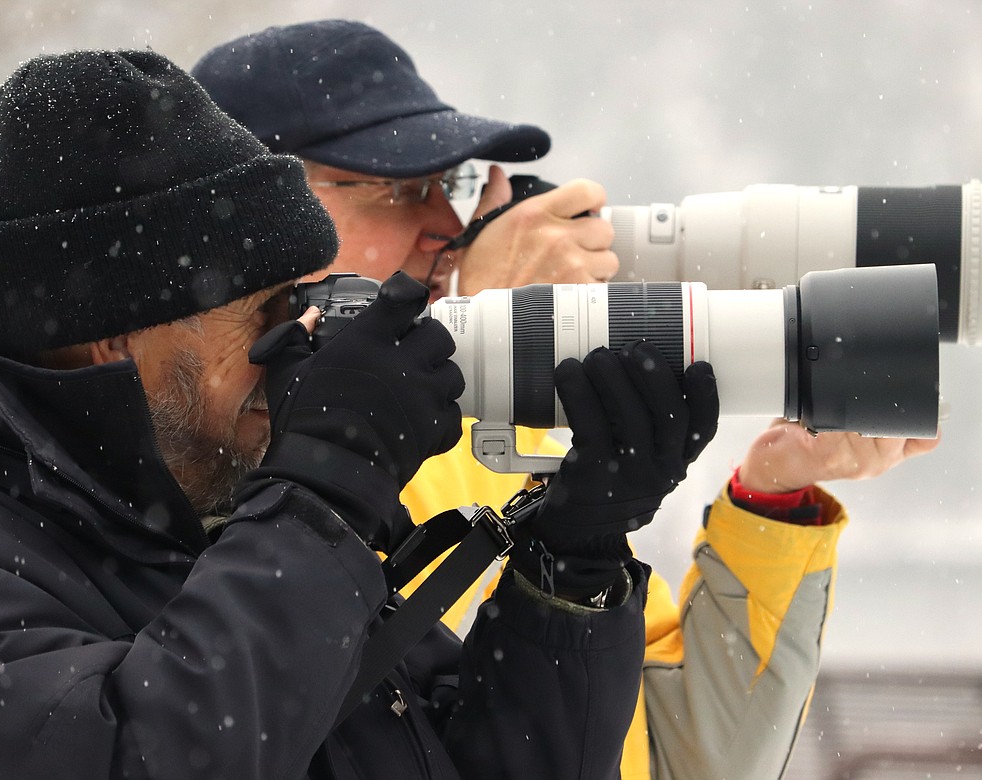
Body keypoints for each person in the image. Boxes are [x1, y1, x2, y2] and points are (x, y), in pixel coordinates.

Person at [0, 49, 723, 779]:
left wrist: (568, 567)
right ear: (115, 341)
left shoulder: (226, 512)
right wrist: (322, 491)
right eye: (269, 313)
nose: (302, 351)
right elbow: (141, 756)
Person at [192, 20, 941, 780]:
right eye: (402, 191)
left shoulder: (514, 441)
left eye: (450, 190)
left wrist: (772, 504)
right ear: (259, 210)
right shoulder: (195, 458)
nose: (445, 229)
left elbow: (685, 758)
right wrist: (472, 329)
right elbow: (308, 659)